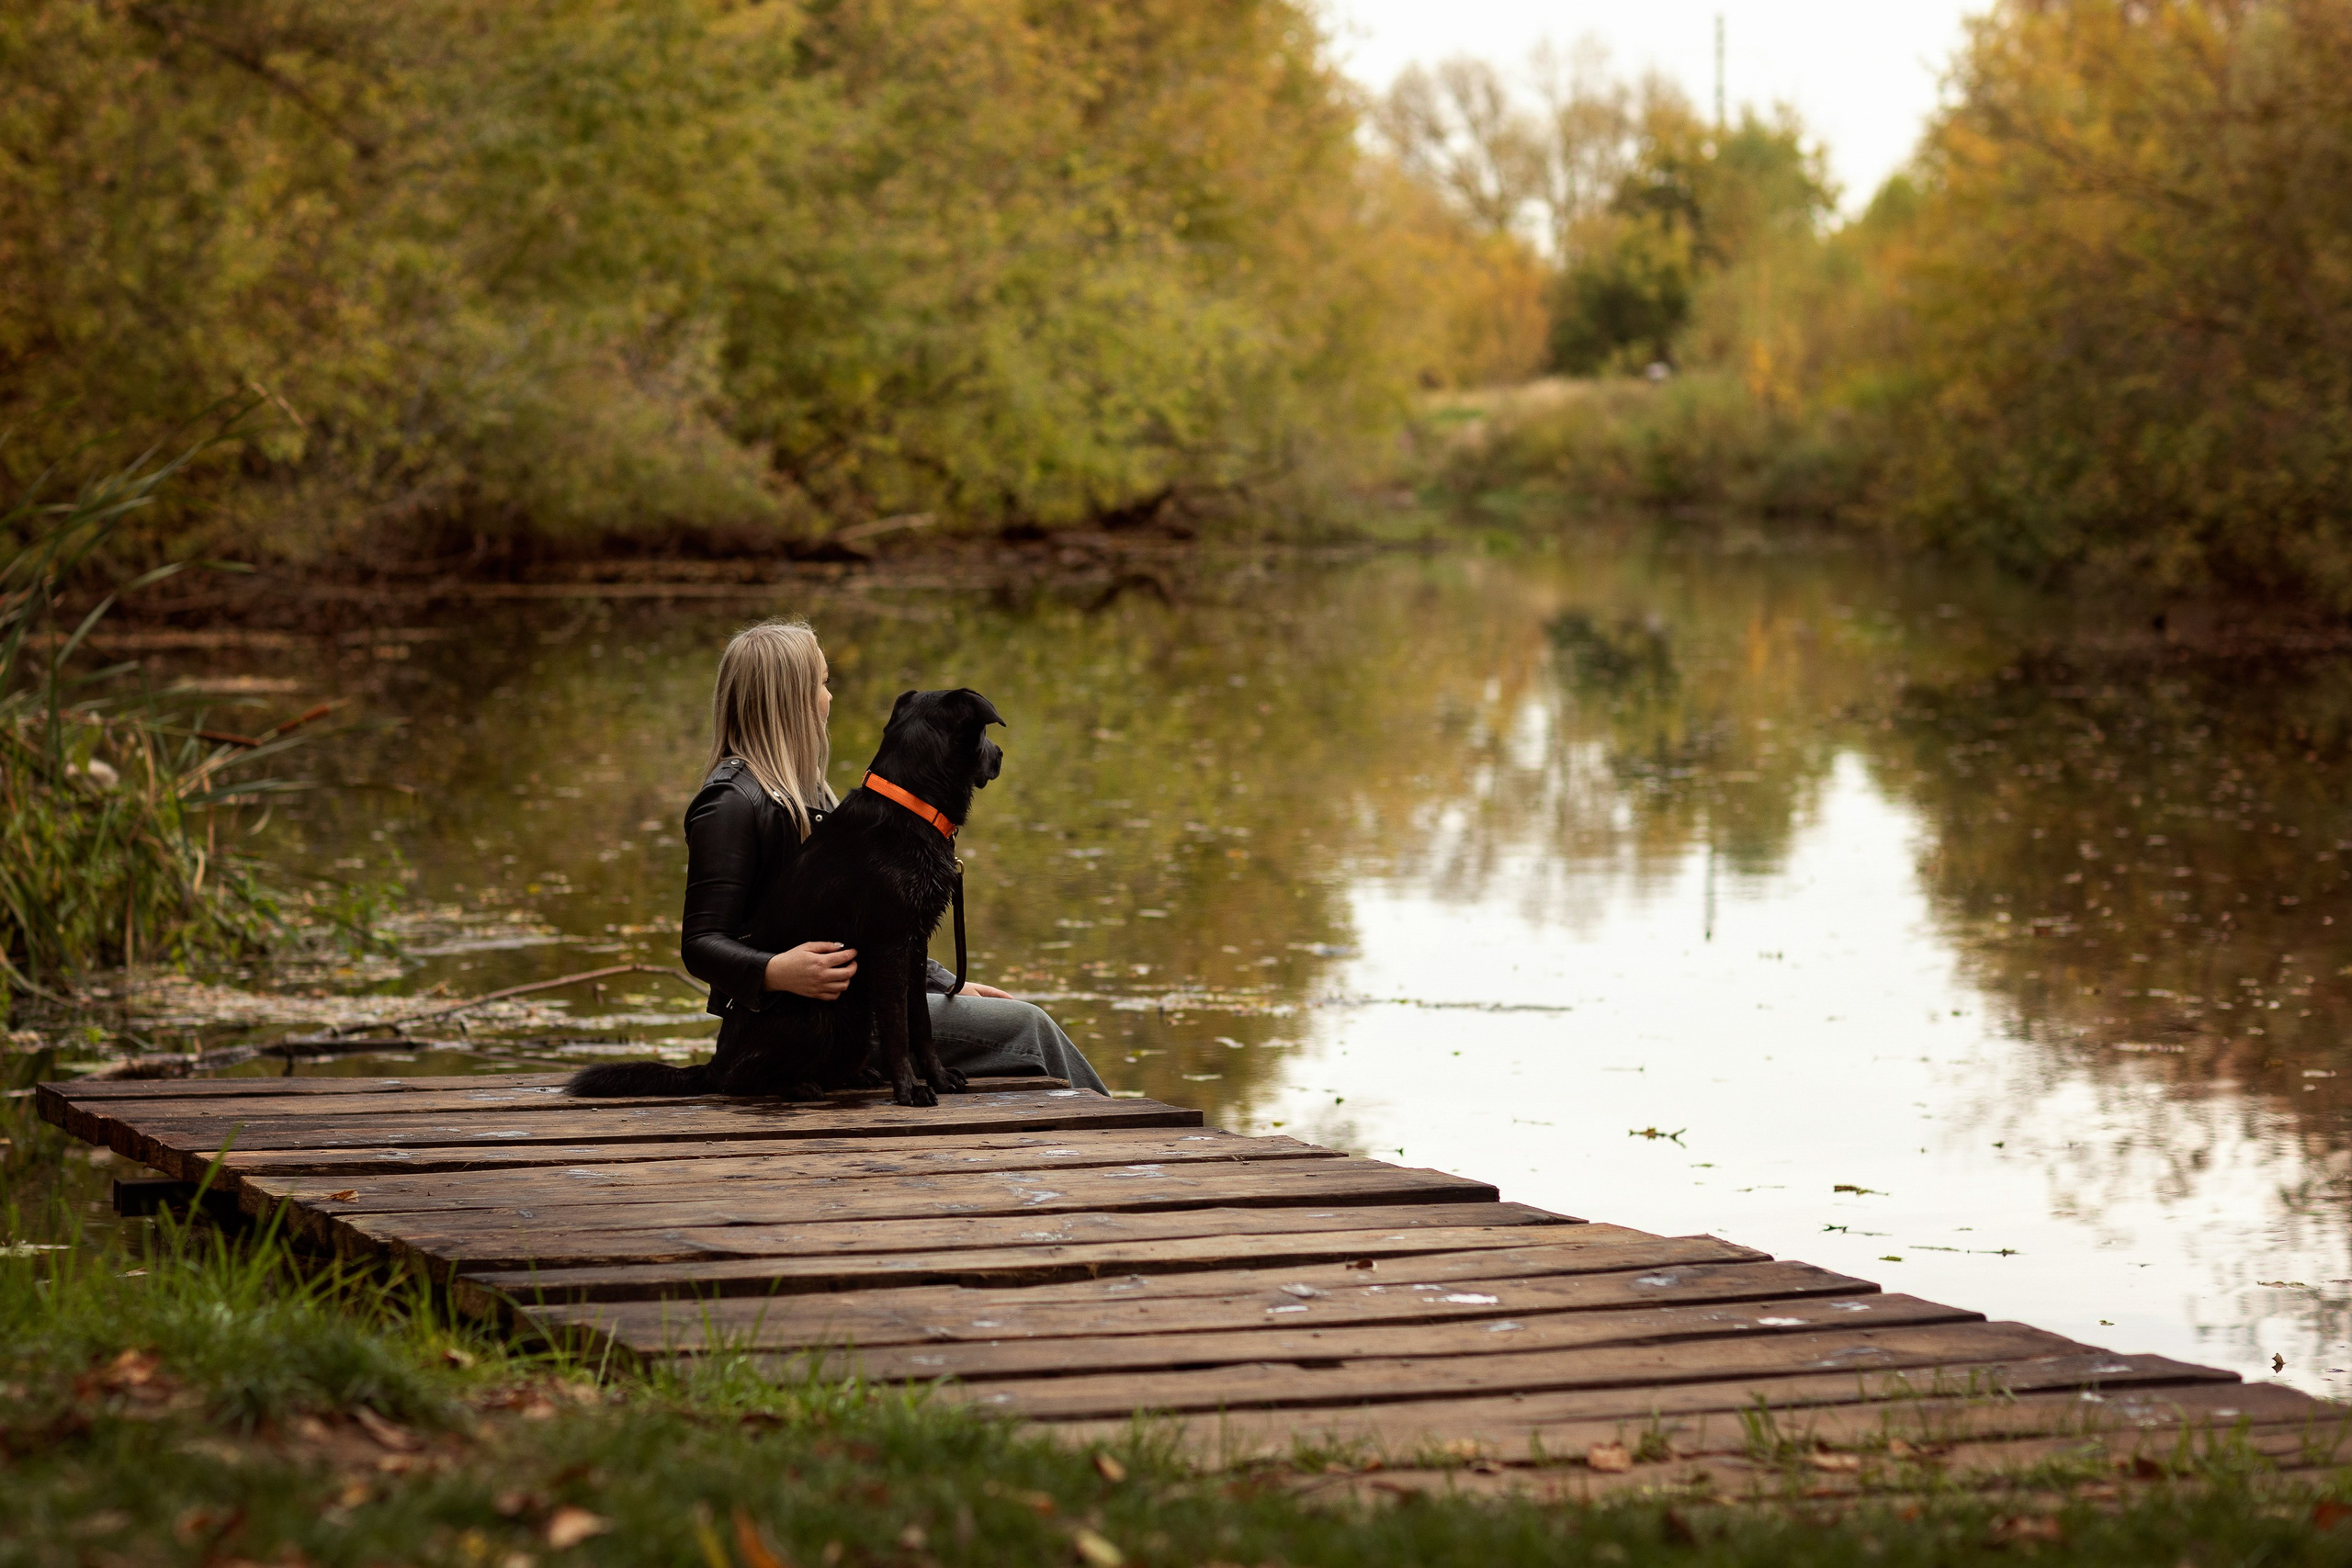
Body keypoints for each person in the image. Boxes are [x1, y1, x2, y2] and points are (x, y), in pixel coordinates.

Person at [680, 617, 1107, 1093]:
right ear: (791, 699)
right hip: (813, 1019)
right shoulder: (730, 803)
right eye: (823, 683)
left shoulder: (811, 793)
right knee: (1027, 1028)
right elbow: (700, 943)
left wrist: (943, 983)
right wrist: (774, 971)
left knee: (1018, 1019)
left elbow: (872, 920)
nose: (830, 696)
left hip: (863, 1003)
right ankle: (1117, 1138)